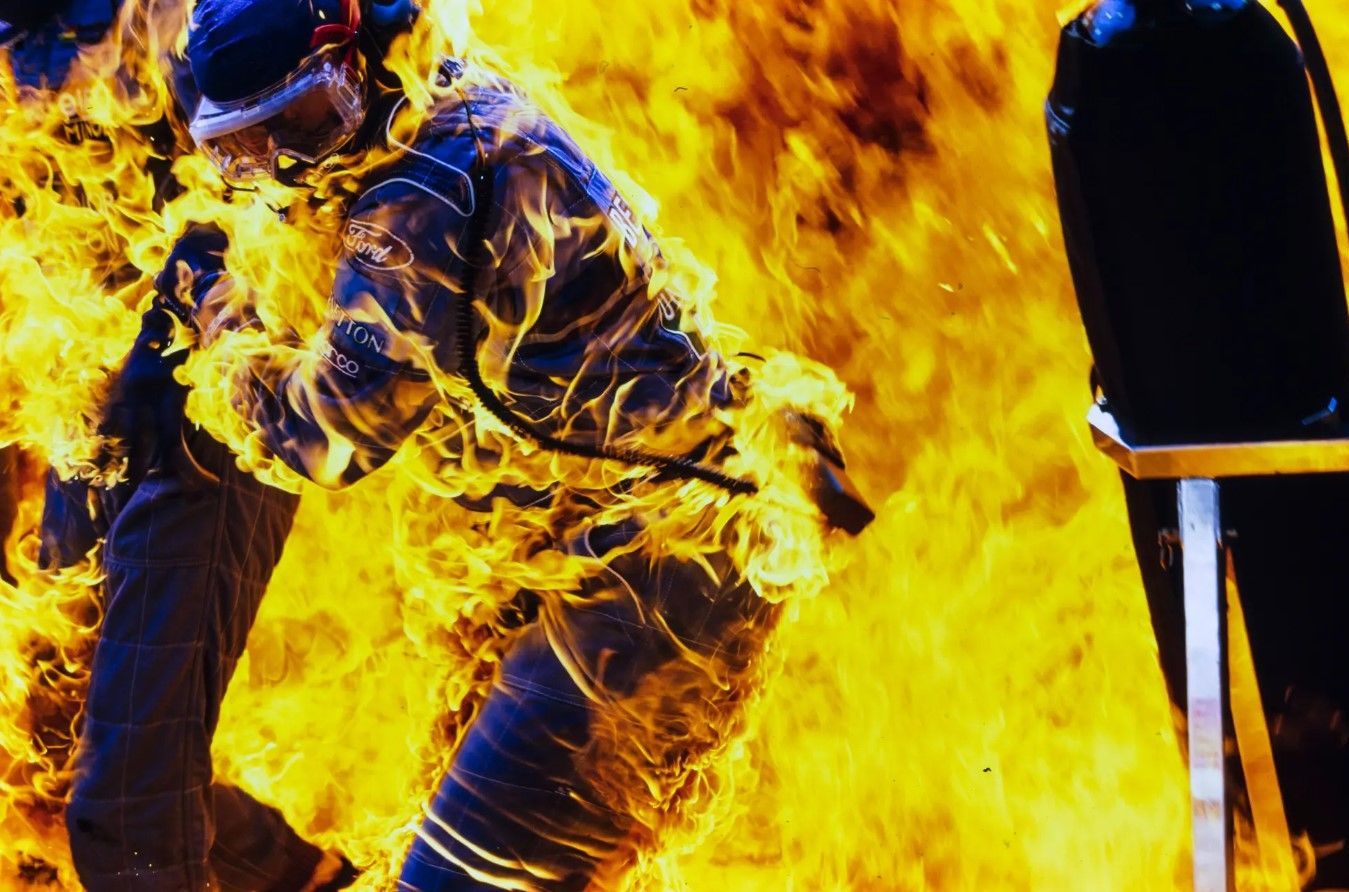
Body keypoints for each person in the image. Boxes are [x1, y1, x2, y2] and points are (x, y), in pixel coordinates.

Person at [161, 0, 872, 888]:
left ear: (358, 60)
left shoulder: (416, 202)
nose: (287, 166)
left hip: (653, 568)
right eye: (248, 147)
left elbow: (320, 439)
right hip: (656, 537)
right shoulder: (455, 98)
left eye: (307, 121)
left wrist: (216, 309)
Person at [0, 3, 361, 890]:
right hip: (96, 406)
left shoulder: (189, 24)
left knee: (128, 811)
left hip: (210, 418)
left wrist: (174, 345)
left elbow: (279, 191)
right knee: (48, 759)